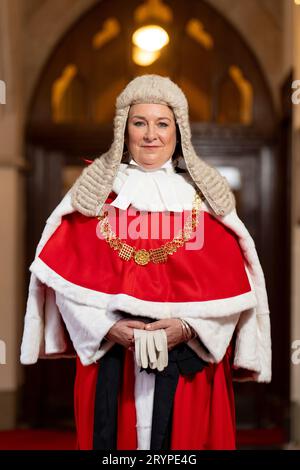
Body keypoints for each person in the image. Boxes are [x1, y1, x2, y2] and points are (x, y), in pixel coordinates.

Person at [20, 74, 271, 450]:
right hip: (113, 362)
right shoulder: (95, 197)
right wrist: (108, 329)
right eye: (140, 123)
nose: (151, 134)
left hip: (189, 366)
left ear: (178, 131)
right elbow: (65, 284)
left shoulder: (203, 200)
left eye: (162, 123)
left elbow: (236, 289)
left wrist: (187, 328)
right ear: (125, 130)